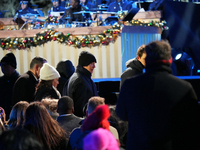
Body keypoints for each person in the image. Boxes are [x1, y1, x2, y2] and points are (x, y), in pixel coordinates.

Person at [116, 40, 200, 150]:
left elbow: (121, 114)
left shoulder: (129, 85)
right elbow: (193, 123)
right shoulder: (184, 88)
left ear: (147, 59)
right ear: (170, 60)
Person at [67, 51, 98, 117]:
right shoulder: (80, 80)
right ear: (85, 64)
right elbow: (80, 107)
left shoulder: (82, 77)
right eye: (92, 64)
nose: (94, 66)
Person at [0, 53, 20, 119]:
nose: (3, 68)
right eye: (1, 65)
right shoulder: (1, 80)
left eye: (5, 65)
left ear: (12, 65)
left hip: (16, 115)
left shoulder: (20, 80)